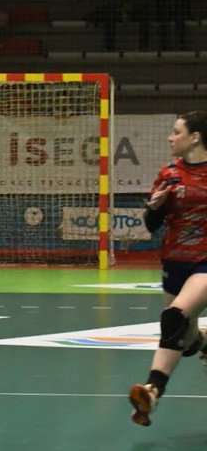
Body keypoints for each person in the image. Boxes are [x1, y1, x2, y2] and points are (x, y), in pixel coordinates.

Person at [128, 110, 207, 427]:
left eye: (176, 132)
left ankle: (152, 392)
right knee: (184, 340)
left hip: (205, 263)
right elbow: (151, 225)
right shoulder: (169, 173)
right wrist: (153, 208)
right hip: (174, 263)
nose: (169, 137)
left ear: (195, 137)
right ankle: (202, 342)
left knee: (175, 314)